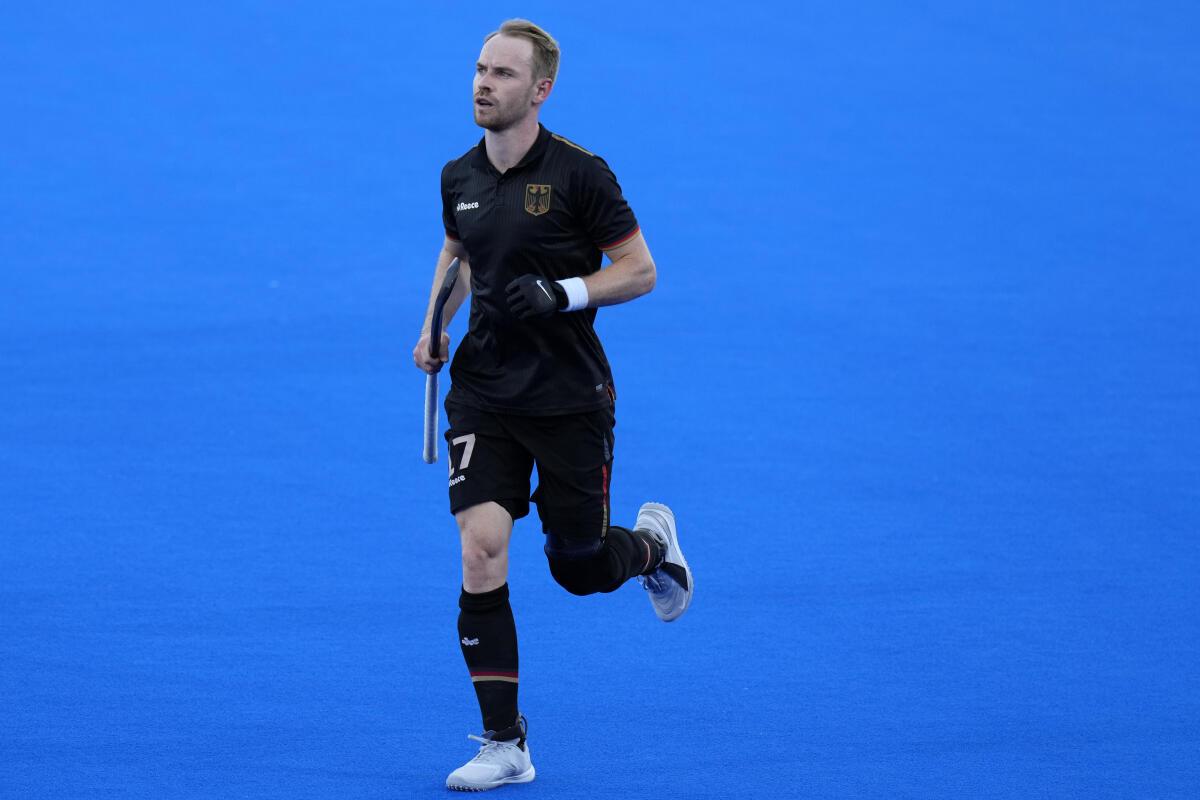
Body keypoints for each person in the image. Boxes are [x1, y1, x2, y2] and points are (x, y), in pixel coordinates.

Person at [412, 19, 693, 792]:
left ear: (540, 90)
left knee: (578, 568)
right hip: (481, 393)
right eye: (478, 68)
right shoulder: (458, 176)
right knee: (481, 551)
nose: (483, 84)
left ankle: (650, 548)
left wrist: (566, 292)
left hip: (570, 399)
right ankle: (505, 742)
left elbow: (639, 271)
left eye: (503, 75)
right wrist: (432, 327)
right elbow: (457, 253)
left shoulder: (580, 176)